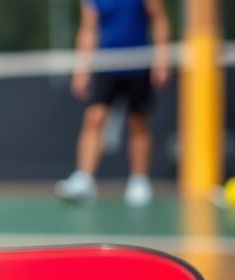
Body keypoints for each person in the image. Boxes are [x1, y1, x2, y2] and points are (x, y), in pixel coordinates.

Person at [55, 0, 170, 206]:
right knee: (94, 116)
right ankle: (84, 180)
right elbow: (88, 29)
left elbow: (159, 19)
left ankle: (139, 181)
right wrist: (82, 68)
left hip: (138, 63)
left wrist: (162, 59)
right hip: (106, 63)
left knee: (138, 121)